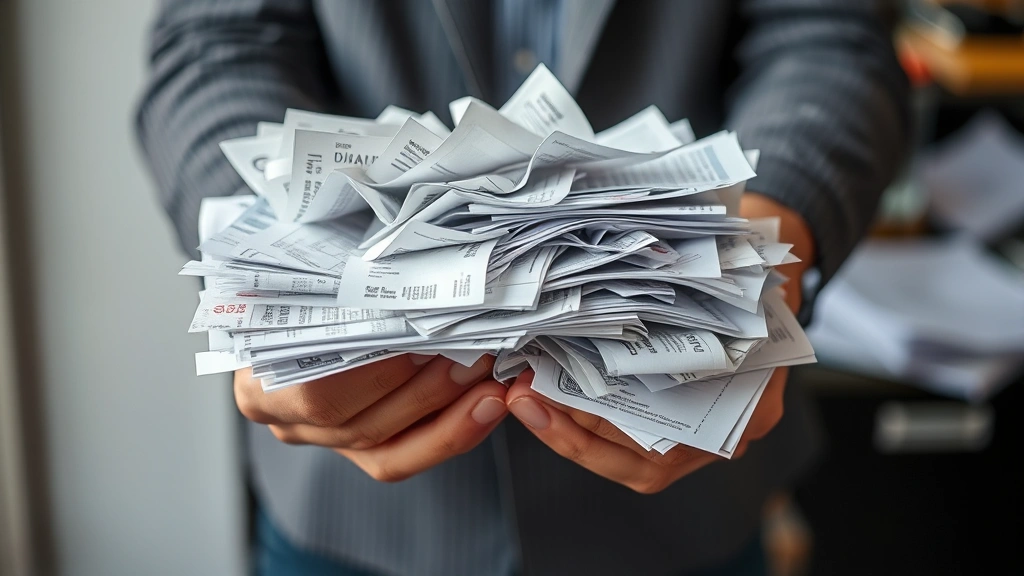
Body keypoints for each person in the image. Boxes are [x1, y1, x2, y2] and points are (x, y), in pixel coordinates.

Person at [136, 1, 909, 574]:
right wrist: (265, 276)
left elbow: (827, 34)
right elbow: (215, 43)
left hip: (683, 486)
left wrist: (766, 249)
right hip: (353, 512)